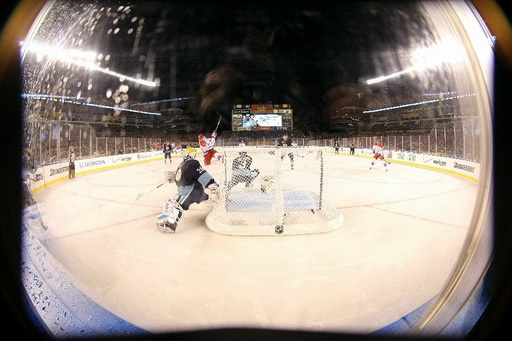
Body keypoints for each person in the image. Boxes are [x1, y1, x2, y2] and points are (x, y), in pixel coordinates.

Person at [156, 147, 220, 233]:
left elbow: (200, 173)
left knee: (178, 205)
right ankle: (214, 199)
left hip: (192, 191)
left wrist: (211, 183)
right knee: (173, 202)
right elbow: (183, 176)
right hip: (187, 191)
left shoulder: (192, 163)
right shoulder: (183, 164)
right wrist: (174, 177)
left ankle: (171, 226)